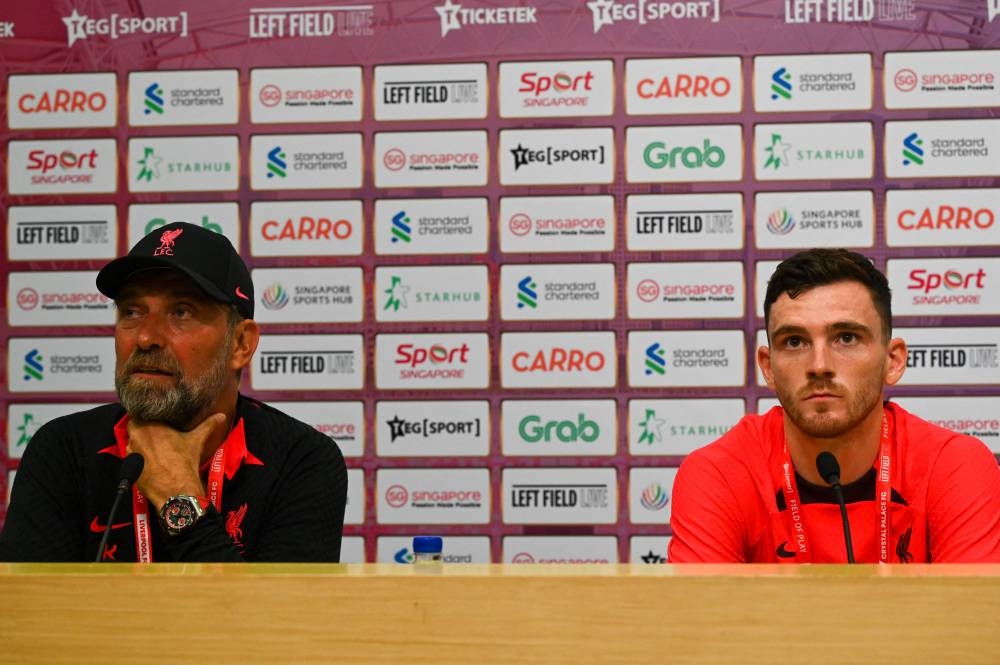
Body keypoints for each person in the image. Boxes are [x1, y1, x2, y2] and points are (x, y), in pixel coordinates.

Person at [0, 222, 348, 562]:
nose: (146, 337)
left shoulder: (302, 459)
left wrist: (178, 495)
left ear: (241, 343)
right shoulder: (63, 449)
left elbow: (278, 619)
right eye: (131, 312)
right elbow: (26, 615)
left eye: (181, 312)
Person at [668, 248, 1000, 563]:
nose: (819, 365)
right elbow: (702, 620)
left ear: (893, 361)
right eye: (794, 342)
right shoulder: (718, 473)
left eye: (846, 337)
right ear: (768, 367)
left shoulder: (954, 466)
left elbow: (972, 619)